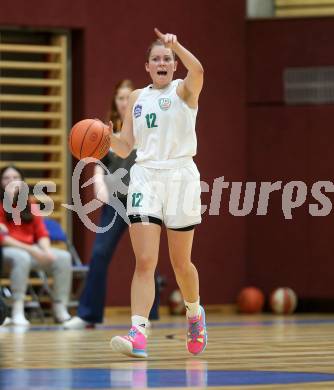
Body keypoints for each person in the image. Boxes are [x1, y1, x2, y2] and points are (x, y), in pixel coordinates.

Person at [109, 28, 207, 358]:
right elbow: (125, 147)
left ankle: (194, 313)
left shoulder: (184, 90)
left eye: (167, 58)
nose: (162, 62)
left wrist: (176, 44)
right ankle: (138, 332)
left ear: (174, 64)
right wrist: (103, 138)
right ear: (147, 66)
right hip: (145, 177)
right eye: (156, 59)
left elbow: (199, 71)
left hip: (180, 176)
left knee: (181, 264)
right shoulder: (137, 98)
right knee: (145, 261)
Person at [64, 80, 160, 329]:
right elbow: (98, 162)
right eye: (120, 98)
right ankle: (88, 315)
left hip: (143, 198)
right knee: (99, 254)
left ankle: (147, 315)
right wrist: (98, 182)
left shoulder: (146, 125)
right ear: (114, 102)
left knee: (146, 256)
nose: (124, 102)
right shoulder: (103, 132)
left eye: (129, 97)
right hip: (117, 201)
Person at [0, 165, 72, 326]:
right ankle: (17, 308)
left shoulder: (30, 203)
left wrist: (46, 251)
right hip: (7, 253)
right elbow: (2, 238)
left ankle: (60, 308)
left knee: (63, 257)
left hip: (31, 252)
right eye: (6, 178)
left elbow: (41, 233)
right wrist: (33, 250)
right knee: (22, 257)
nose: (11, 181)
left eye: (15, 177)